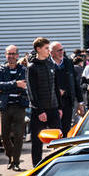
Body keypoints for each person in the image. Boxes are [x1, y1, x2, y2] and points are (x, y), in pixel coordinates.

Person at [27, 37, 61, 167]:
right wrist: (40, 110)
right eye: (46, 48)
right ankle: (36, 167)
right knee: (37, 141)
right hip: (39, 110)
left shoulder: (51, 64)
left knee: (58, 138)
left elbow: (56, 87)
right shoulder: (32, 67)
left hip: (53, 107)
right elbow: (32, 91)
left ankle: (58, 165)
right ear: (38, 49)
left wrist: (60, 107)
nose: (48, 51)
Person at [0, 45, 28, 170]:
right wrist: (16, 84)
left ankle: (16, 162)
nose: (11, 56)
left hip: (19, 106)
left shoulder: (23, 70)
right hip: (5, 106)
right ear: (6, 55)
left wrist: (6, 88)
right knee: (3, 135)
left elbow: (25, 86)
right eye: (9, 54)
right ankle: (10, 156)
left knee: (18, 135)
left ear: (17, 55)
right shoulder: (0, 70)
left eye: (13, 54)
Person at [49, 42, 84, 133]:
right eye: (59, 50)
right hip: (53, 103)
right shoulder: (47, 64)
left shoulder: (68, 62)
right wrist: (56, 91)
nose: (62, 52)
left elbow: (75, 83)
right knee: (55, 129)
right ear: (51, 53)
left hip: (67, 101)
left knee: (66, 128)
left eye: (62, 50)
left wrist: (80, 102)